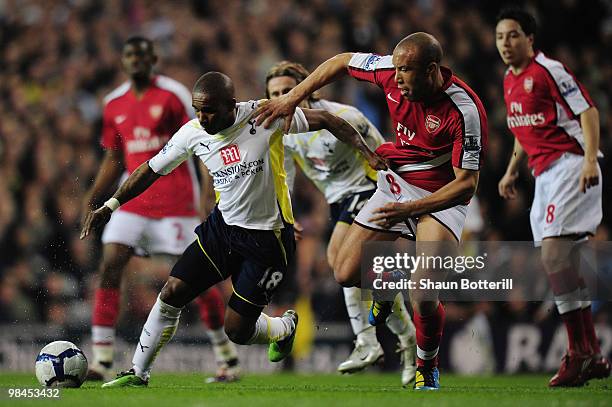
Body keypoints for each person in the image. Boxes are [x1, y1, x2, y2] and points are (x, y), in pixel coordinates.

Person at [80, 71, 386, 387]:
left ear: (231, 105)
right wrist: (111, 205)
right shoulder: (192, 132)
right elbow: (150, 170)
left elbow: (326, 119)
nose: (202, 116)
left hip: (268, 240)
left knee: (237, 331)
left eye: (209, 110)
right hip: (222, 230)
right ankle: (138, 372)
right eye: (198, 109)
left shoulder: (265, 115)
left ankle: (282, 328)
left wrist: (366, 152)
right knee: (172, 291)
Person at [256, 32, 487, 391]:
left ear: (431, 71)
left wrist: (409, 209)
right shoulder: (390, 70)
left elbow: (466, 185)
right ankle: (388, 280)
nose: (395, 79)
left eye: (405, 72)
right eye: (394, 70)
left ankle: (427, 367)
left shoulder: (464, 110)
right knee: (346, 272)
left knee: (424, 294)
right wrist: (291, 98)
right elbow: (341, 61)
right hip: (399, 183)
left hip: (442, 195)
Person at [81, 36, 239, 383]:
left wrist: (206, 196)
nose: (136, 59)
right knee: (110, 263)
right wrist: (93, 198)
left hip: (175, 204)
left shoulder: (174, 95)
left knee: (194, 279)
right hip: (133, 202)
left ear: (153, 58)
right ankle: (102, 357)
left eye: (142, 54)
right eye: (130, 54)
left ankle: (225, 354)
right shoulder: (113, 104)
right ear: (123, 60)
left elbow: (203, 141)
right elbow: (114, 157)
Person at [265, 61, 417, 385]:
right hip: (338, 201)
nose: (282, 98)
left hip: (370, 186)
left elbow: (382, 154)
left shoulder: (346, 117)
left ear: (306, 90)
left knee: (339, 262)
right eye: (275, 94)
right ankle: (406, 337)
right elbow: (285, 175)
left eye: (287, 91)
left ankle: (367, 341)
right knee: (352, 273)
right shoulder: (281, 129)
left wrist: (403, 204)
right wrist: (286, 215)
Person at [495, 8, 610, 387]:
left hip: (571, 163)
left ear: (530, 39)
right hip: (543, 174)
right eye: (499, 37)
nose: (506, 44)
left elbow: (588, 111)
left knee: (553, 255)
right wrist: (512, 169)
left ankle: (579, 352)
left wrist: (590, 159)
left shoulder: (549, 71)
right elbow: (521, 130)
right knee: (561, 263)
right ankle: (590, 353)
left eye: (513, 35)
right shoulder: (510, 81)